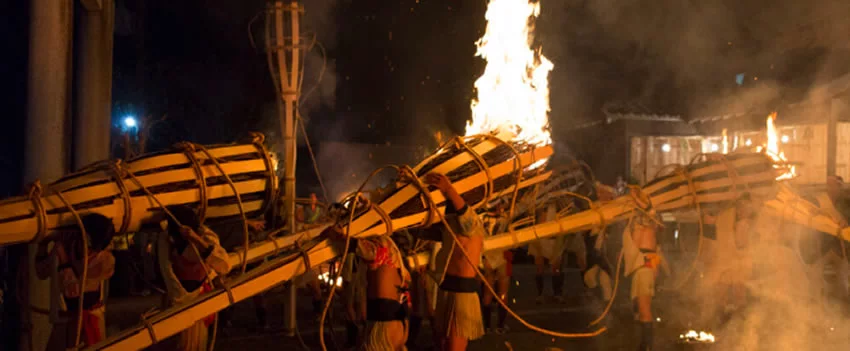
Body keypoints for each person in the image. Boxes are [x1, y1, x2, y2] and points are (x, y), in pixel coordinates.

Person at [415, 172, 486, 351]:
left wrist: (448, 189)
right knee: (443, 344)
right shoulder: (452, 227)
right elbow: (423, 232)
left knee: (454, 347)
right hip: (447, 290)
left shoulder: (472, 223)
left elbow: (463, 212)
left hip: (461, 296)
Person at [35, 213, 116, 349]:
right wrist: (43, 245)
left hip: (90, 322)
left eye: (94, 248)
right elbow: (41, 272)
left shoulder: (104, 260)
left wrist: (64, 260)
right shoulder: (67, 245)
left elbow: (73, 290)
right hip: (66, 321)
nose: (90, 251)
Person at [158, 206, 231, 351]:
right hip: (182, 298)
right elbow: (167, 270)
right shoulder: (167, 241)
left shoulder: (205, 238)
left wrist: (195, 238)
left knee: (197, 343)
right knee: (183, 343)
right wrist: (180, 298)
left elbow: (224, 265)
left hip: (198, 296)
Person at [333, 230, 411, 350]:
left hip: (385, 327)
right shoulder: (399, 264)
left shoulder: (383, 246)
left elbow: (364, 249)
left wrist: (337, 235)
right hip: (396, 324)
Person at [623, 201, 662, 351]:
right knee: (640, 309)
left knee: (644, 309)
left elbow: (650, 213)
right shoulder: (640, 221)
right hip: (643, 266)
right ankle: (644, 345)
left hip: (645, 266)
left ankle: (647, 347)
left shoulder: (648, 222)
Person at [527, 200, 567, 303]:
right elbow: (533, 218)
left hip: (554, 239)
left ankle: (557, 293)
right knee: (539, 267)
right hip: (539, 237)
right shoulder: (539, 201)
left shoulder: (559, 202)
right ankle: (540, 294)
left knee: (556, 267)